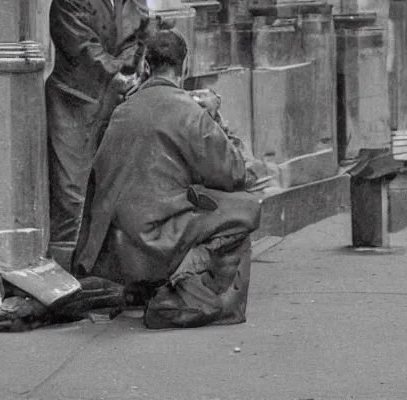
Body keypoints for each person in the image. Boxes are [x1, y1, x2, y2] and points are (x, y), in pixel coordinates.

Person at [71, 30, 263, 329]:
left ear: (146, 65)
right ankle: (190, 296)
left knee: (184, 202)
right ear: (184, 67)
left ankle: (147, 290)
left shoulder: (122, 110)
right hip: (157, 244)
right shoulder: (191, 113)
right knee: (246, 208)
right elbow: (235, 175)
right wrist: (218, 119)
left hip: (115, 248)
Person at [45, 0, 150, 261]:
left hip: (112, 99)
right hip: (75, 105)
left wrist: (129, 70)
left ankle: (95, 272)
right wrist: (117, 74)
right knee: (72, 193)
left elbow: (137, 34)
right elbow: (83, 49)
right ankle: (62, 277)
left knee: (109, 188)